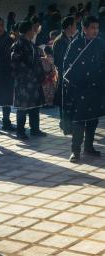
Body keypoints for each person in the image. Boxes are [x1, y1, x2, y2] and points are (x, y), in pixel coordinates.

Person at [63, 16, 105, 163]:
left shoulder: (100, 44)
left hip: (95, 88)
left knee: (93, 120)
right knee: (79, 120)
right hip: (79, 88)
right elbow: (67, 64)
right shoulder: (75, 44)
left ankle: (89, 147)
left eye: (97, 28)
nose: (96, 30)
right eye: (93, 28)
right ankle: (75, 151)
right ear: (84, 28)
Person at [11, 21, 46, 140]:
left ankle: (35, 129)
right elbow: (16, 63)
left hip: (34, 81)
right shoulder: (19, 44)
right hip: (23, 81)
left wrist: (41, 74)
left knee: (35, 106)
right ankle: (20, 131)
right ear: (28, 31)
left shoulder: (30, 44)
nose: (34, 31)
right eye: (33, 29)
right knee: (23, 107)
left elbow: (37, 61)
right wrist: (31, 74)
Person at [52, 16, 77, 129]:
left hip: (70, 73)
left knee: (68, 98)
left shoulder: (69, 38)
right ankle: (64, 123)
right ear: (69, 27)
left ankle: (68, 122)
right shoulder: (60, 41)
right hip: (63, 74)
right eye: (75, 25)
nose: (76, 28)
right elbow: (59, 60)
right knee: (63, 99)